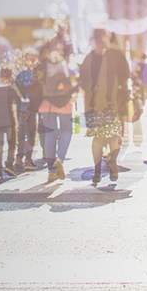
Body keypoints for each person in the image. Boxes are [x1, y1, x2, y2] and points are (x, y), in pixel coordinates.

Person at [79, 28, 130, 183]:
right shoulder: (88, 59)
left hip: (113, 104)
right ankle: (97, 169)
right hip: (94, 105)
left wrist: (124, 97)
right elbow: (83, 82)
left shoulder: (115, 55)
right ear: (93, 41)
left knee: (114, 137)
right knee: (98, 139)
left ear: (107, 39)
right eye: (98, 40)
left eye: (103, 39)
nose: (101, 43)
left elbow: (125, 76)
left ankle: (112, 161)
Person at [36, 40, 77, 181]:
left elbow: (36, 84)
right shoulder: (65, 64)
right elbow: (72, 82)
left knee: (50, 134)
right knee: (67, 130)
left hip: (46, 103)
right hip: (64, 102)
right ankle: (60, 158)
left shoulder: (41, 66)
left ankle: (51, 171)